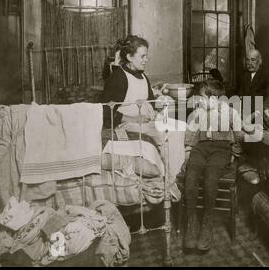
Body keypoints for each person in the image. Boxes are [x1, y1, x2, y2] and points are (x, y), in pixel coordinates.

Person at [101, 35, 186, 188]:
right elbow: (105, 110)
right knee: (164, 133)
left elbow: (151, 100)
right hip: (125, 124)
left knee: (180, 127)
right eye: (142, 56)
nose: (146, 59)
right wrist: (133, 119)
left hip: (145, 120)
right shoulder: (118, 78)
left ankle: (175, 174)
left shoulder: (143, 76)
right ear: (129, 57)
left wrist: (157, 108)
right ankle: (168, 177)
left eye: (147, 55)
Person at [183, 80, 255, 253]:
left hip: (221, 150)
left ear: (215, 99)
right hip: (201, 148)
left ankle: (207, 221)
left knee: (210, 179)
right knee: (191, 178)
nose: (199, 101)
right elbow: (191, 134)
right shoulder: (197, 113)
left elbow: (238, 134)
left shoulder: (230, 112)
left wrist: (237, 150)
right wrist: (187, 153)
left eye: (201, 98)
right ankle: (192, 222)